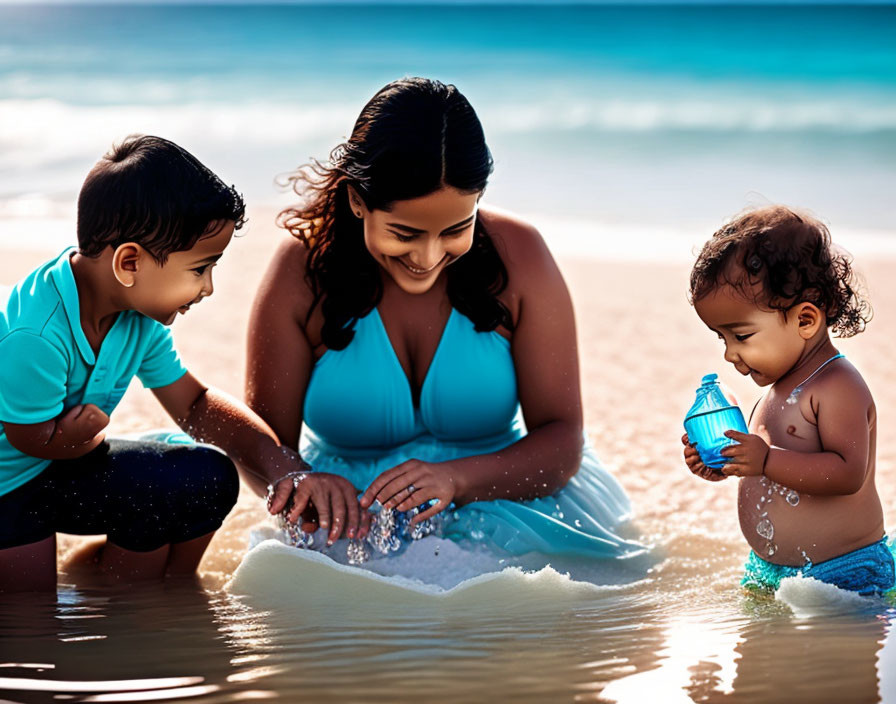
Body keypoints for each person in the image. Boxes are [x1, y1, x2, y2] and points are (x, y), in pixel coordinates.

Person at [246, 77, 642, 559]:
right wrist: (305, 483)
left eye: (457, 229)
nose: (428, 257)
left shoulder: (522, 256)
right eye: (404, 233)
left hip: (505, 499)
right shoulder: (302, 272)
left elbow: (561, 445)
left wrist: (456, 479)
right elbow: (265, 447)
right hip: (353, 516)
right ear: (357, 200)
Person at [0, 135, 356, 592]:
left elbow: (195, 405)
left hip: (63, 465)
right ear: (129, 262)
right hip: (11, 485)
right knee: (28, 620)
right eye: (199, 269)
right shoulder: (36, 336)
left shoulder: (136, 314)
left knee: (204, 477)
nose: (208, 288)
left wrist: (281, 463)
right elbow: (27, 436)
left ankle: (126, 589)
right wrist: (72, 439)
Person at [682, 205, 894, 595]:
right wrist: (725, 462)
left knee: (833, 654)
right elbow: (767, 473)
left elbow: (848, 473)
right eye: (722, 339)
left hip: (845, 574)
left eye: (741, 336)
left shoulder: (836, 386)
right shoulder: (773, 393)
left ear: (805, 320)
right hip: (767, 571)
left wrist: (766, 459)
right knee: (756, 653)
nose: (729, 354)